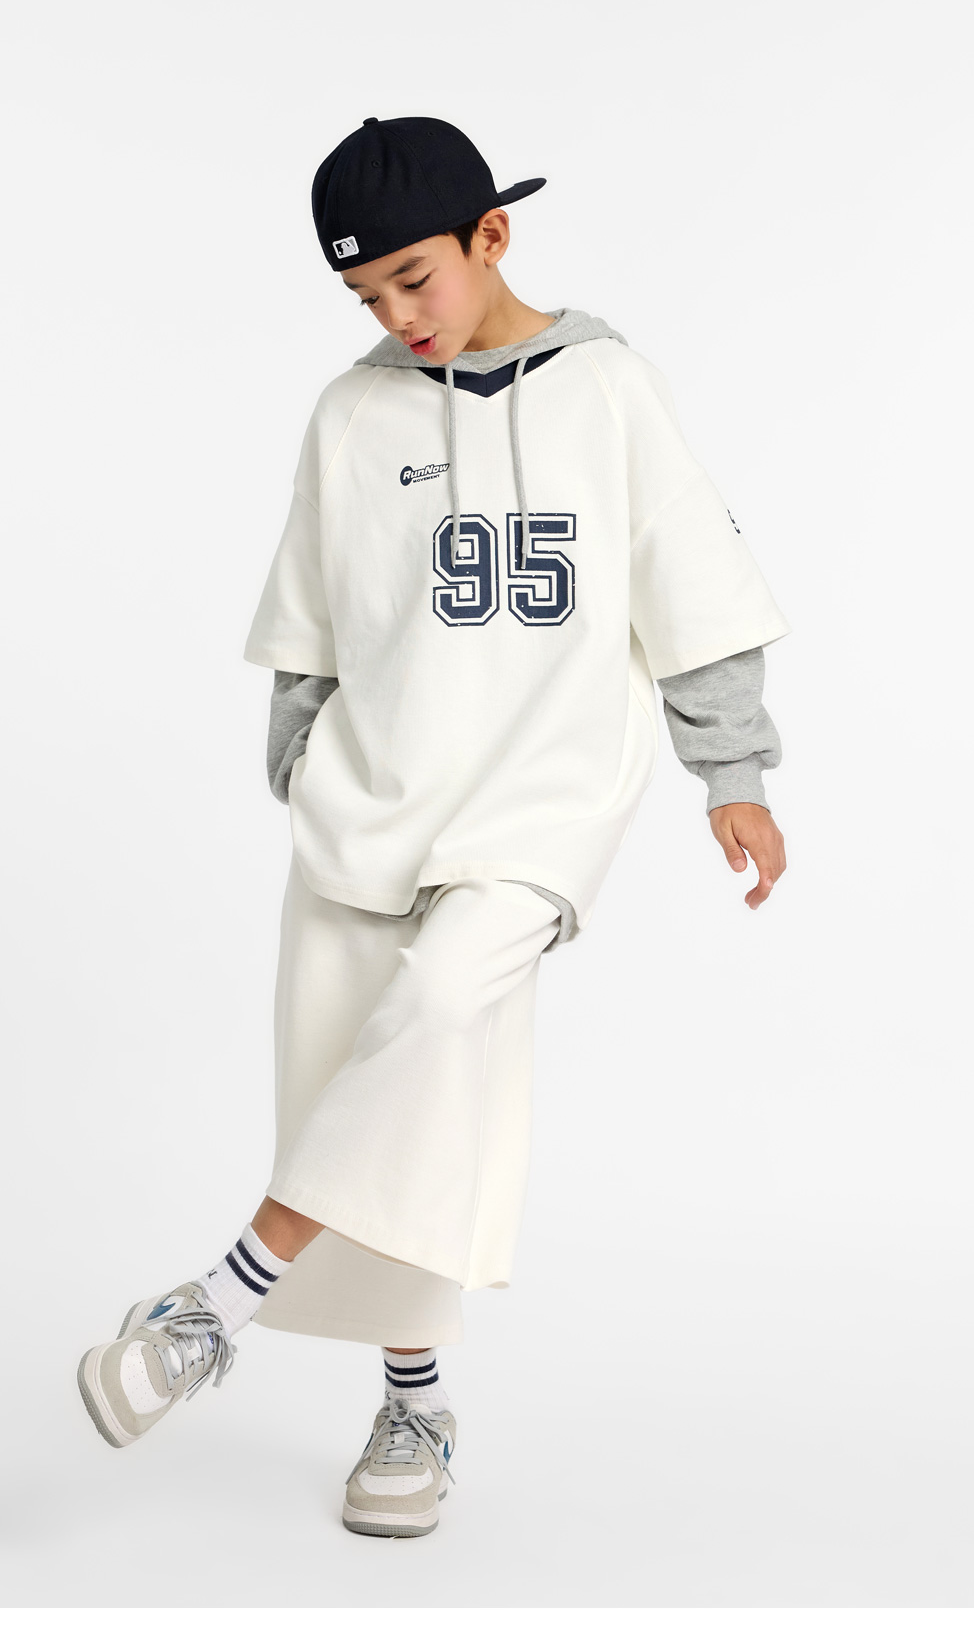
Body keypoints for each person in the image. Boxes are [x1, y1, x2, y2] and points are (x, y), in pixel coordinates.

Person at [76, 115, 791, 1538]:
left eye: (416, 277)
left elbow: (693, 582)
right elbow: (310, 614)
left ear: (492, 236)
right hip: (374, 794)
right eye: (365, 295)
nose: (397, 314)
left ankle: (211, 1305)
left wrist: (734, 772)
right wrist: (300, 765)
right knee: (368, 1075)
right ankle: (415, 1399)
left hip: (541, 800)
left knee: (447, 1005)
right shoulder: (351, 414)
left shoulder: (609, 390)